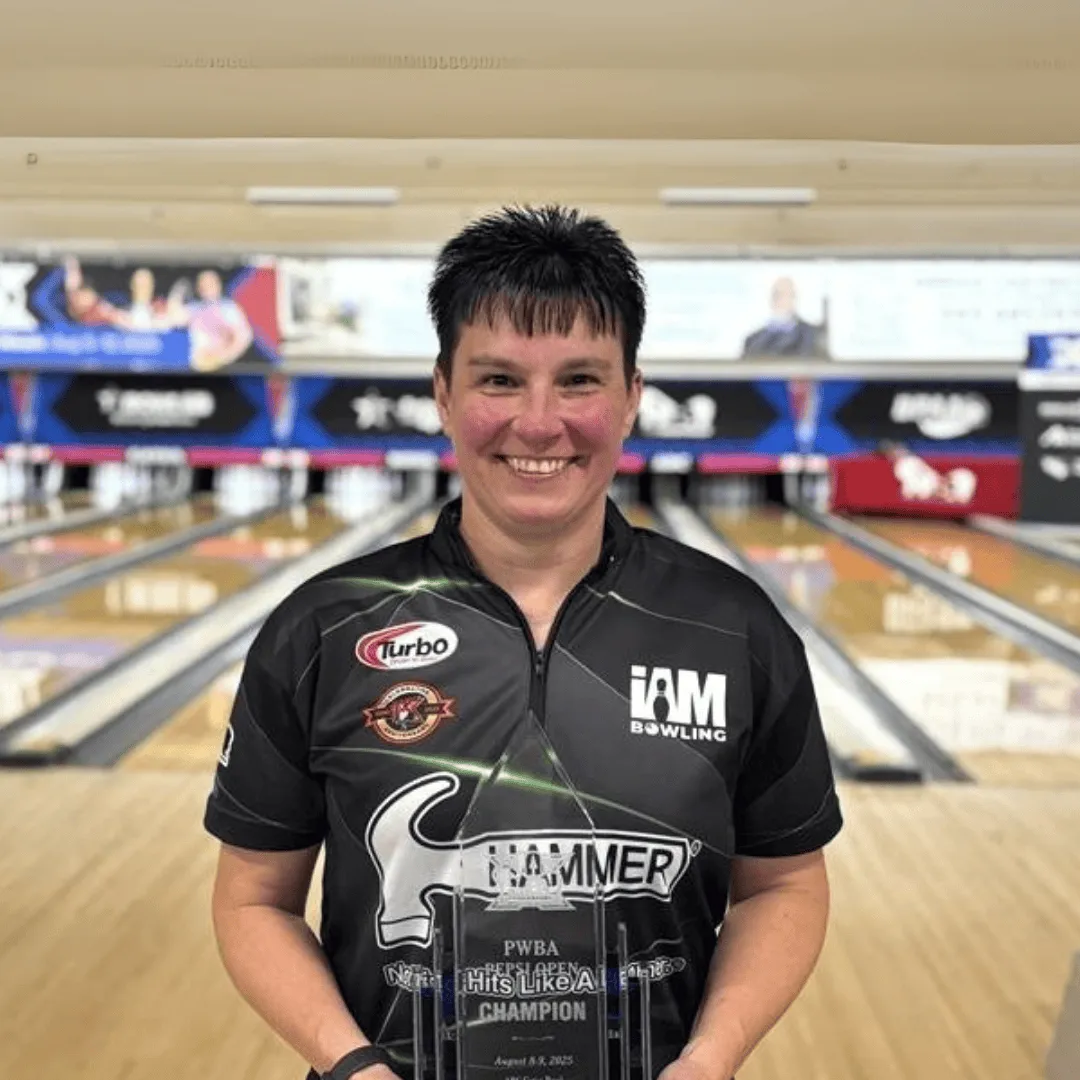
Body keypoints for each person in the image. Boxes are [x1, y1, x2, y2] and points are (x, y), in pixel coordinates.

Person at [204, 205, 842, 1080]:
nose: (539, 424)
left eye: (579, 379)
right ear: (442, 391)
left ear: (631, 396)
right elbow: (252, 901)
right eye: (499, 379)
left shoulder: (733, 627)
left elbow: (785, 884)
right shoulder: (327, 625)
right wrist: (351, 1066)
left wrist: (714, 1056)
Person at [741, 277, 824, 358]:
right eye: (775, 294)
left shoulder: (810, 335)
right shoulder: (752, 339)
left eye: (783, 294)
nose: (778, 299)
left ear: (793, 298)